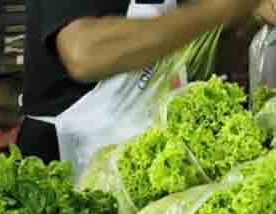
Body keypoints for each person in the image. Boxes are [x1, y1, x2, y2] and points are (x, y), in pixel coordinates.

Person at [18, 0, 276, 170]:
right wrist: (219, 10)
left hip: (155, 157)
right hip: (73, 163)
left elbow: (197, 61)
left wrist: (248, 18)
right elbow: (84, 53)